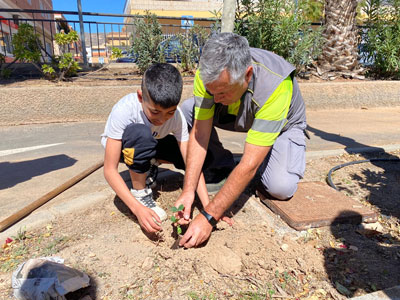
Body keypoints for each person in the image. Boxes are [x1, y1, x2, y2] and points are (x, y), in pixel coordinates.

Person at [175, 32, 307, 248]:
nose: (215, 99)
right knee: (189, 110)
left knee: (280, 187)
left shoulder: (276, 84)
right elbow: (199, 134)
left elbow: (249, 163)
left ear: (247, 75)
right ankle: (221, 164)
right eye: (212, 92)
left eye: (222, 92)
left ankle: (270, 154)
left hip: (284, 126)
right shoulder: (209, 75)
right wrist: (188, 190)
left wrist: (209, 216)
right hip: (239, 115)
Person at [101, 63, 212, 234]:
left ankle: (150, 163)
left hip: (156, 142)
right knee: (140, 135)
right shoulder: (125, 110)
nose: (162, 119)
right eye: (155, 112)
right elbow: (109, 170)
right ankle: (140, 192)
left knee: (201, 154)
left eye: (170, 112)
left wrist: (208, 209)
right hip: (128, 146)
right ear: (140, 97)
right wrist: (137, 209)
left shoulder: (177, 118)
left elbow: (193, 162)